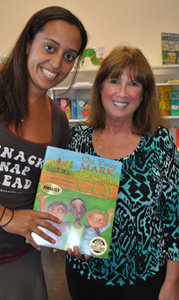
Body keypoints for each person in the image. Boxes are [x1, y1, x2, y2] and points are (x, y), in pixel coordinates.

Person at [0, 6, 88, 300]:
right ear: (28, 42)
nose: (57, 63)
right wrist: (6, 217)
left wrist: (71, 232)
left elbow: (52, 194)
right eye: (50, 47)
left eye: (69, 56)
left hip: (22, 261)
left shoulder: (59, 121)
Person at [65, 46, 179, 300]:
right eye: (115, 80)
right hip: (86, 274)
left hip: (144, 277)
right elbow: (65, 202)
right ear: (100, 87)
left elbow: (174, 216)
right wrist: (66, 236)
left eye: (134, 84)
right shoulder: (77, 139)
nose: (122, 92)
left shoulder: (159, 141)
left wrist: (172, 282)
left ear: (144, 93)